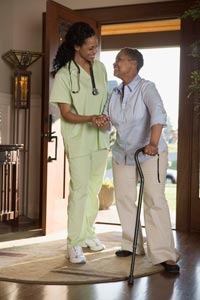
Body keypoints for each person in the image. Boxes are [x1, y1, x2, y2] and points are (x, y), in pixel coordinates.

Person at [104, 48, 180, 273]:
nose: (115, 64)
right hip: (123, 152)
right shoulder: (115, 92)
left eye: (119, 60)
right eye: (116, 60)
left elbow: (158, 115)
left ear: (133, 64)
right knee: (125, 198)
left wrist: (154, 143)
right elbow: (108, 121)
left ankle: (165, 254)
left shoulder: (147, 88)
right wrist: (102, 121)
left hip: (150, 152)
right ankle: (132, 244)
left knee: (154, 199)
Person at [50, 22, 110, 264]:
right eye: (89, 47)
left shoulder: (102, 69)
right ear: (76, 46)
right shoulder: (65, 74)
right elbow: (65, 113)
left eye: (96, 46)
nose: (94, 51)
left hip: (100, 138)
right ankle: (73, 243)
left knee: (93, 191)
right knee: (79, 191)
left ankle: (87, 234)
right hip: (78, 139)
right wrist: (90, 118)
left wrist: (105, 119)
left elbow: (105, 101)